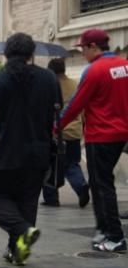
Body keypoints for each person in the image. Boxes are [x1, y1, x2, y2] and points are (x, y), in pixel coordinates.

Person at [0, 33, 60, 265]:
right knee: (28, 198)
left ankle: (23, 231)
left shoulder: (4, 78)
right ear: (31, 53)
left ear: (7, 54)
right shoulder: (48, 78)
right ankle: (17, 249)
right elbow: (56, 113)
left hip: (11, 151)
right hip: (41, 150)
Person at [58, 28, 128, 252]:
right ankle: (104, 229)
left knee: (102, 184)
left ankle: (115, 236)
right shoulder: (124, 66)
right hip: (122, 133)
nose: (82, 54)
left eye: (83, 49)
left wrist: (56, 126)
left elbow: (76, 104)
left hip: (101, 134)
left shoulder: (95, 70)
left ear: (93, 47)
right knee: (101, 183)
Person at [41, 58, 89, 208]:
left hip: (55, 132)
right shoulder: (76, 84)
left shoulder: (48, 85)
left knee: (50, 165)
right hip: (74, 131)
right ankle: (81, 186)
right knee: (72, 163)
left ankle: (51, 199)